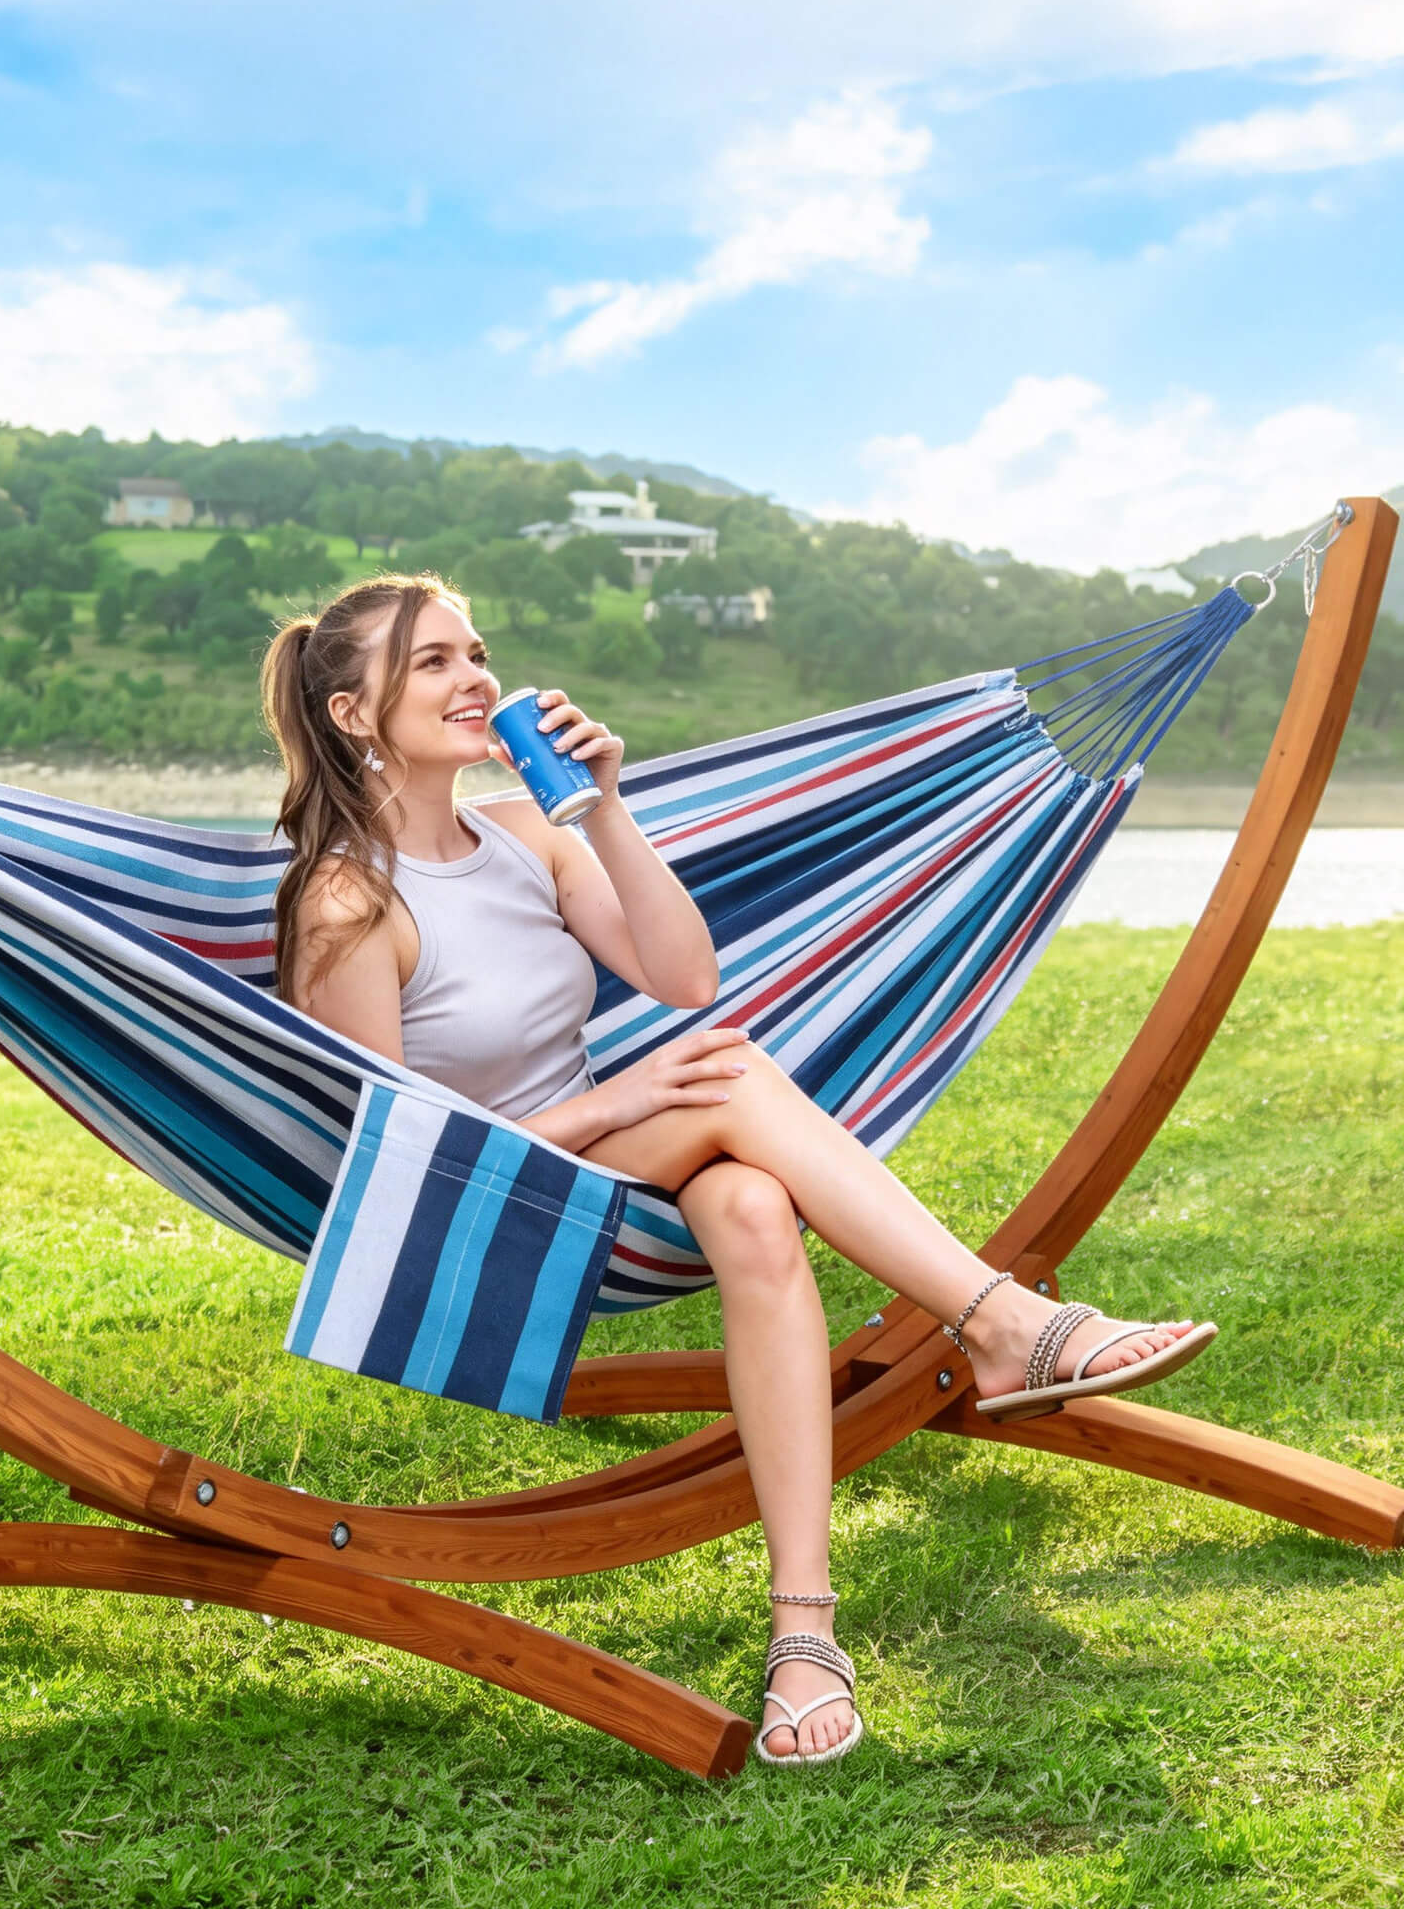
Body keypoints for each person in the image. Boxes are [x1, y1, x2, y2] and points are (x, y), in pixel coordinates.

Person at [261, 571, 1215, 1768]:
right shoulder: (348, 900)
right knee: (723, 1074)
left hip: (622, 1158)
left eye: (478, 651)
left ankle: (802, 1628)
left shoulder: (525, 837)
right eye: (435, 661)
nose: (477, 679)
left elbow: (682, 976)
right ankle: (997, 1320)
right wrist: (620, 1097)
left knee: (755, 1206)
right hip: (498, 1196)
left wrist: (602, 807)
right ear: (352, 713)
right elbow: (398, 1154)